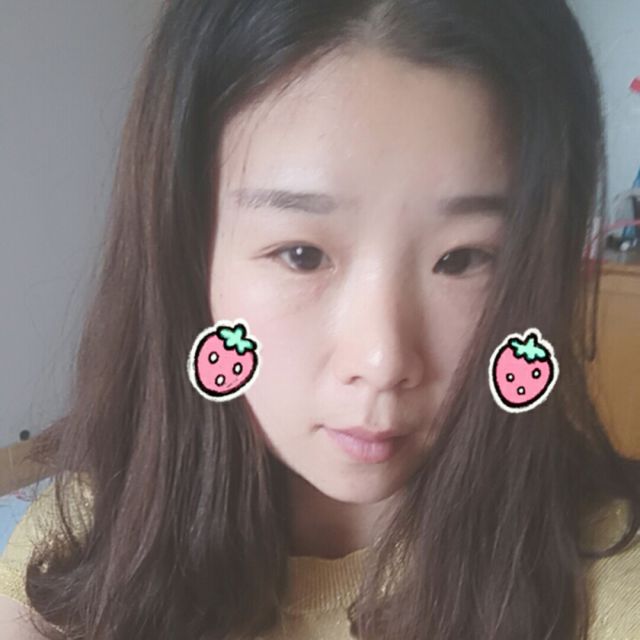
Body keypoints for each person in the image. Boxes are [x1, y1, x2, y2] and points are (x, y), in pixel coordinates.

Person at [1, 0, 639, 638]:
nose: (382, 362)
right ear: (189, 256)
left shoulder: (606, 587)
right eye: (302, 255)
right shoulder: (83, 543)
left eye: (464, 259)